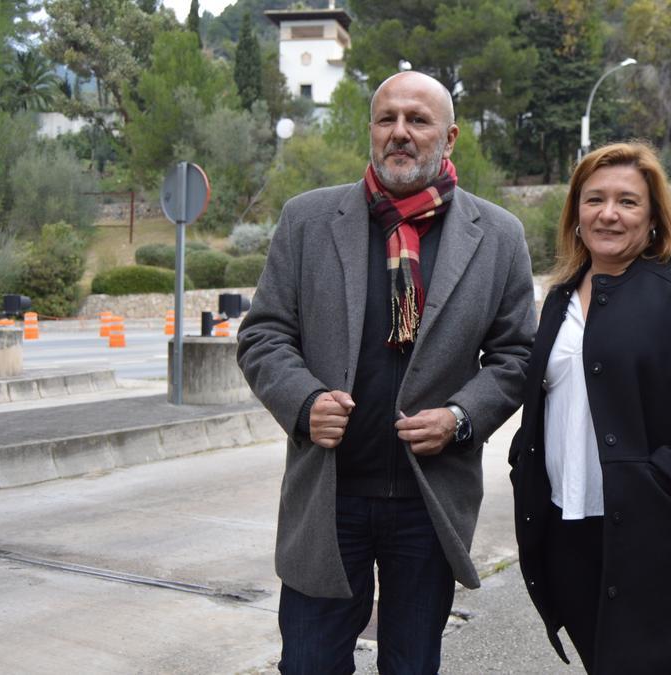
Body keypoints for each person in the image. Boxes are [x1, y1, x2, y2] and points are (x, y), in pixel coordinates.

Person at [238, 70, 535, 674]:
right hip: (328, 496)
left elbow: (517, 356)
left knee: (411, 665)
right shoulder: (307, 220)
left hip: (428, 503)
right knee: (310, 664)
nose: (400, 132)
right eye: (387, 119)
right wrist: (302, 402)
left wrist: (460, 417)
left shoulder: (499, 234)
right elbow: (264, 334)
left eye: (418, 120)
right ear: (371, 131)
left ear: (448, 137)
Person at [508, 142, 671, 674]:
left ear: (652, 216)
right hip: (567, 528)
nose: (608, 213)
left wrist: (664, 477)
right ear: (576, 213)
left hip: (652, 532)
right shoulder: (559, 298)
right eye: (594, 199)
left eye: (627, 201)